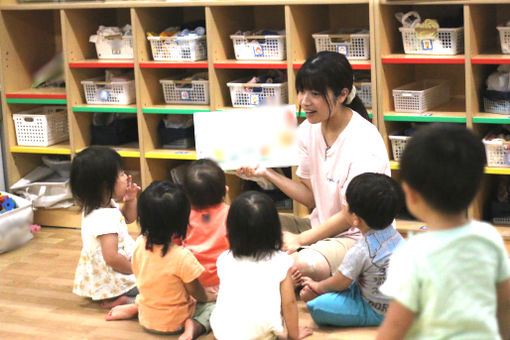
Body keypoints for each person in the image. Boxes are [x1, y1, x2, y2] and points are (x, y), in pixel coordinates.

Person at [238, 51, 390, 281]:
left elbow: (352, 214)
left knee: (298, 264)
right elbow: (311, 198)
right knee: (244, 219)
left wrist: (300, 240)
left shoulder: (364, 141)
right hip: (320, 230)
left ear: (342, 95)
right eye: (302, 91)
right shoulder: (309, 129)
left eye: (315, 93)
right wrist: (266, 173)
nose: (304, 101)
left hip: (358, 238)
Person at [377, 124, 510, 340]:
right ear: (477, 187)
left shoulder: (411, 254)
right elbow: (505, 307)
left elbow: (395, 327)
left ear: (410, 194)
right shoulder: (490, 238)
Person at [107, 181, 213, 340]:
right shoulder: (182, 257)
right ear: (182, 221)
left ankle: (135, 307)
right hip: (177, 322)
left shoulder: (139, 244)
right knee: (213, 307)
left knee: (153, 290)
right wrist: (210, 296)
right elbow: (198, 294)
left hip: (147, 317)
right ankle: (194, 328)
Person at [299, 173, 404, 327]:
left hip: (375, 310)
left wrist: (317, 287)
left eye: (346, 205)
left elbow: (340, 282)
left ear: (355, 219)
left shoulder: (361, 250)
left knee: (318, 306)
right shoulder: (397, 237)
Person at [210, 191, 313, 340]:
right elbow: (289, 303)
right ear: (275, 230)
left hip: (222, 332)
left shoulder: (223, 259)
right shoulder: (281, 261)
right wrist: (294, 335)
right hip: (260, 334)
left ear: (231, 230)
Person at [70, 146, 140, 308]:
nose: (126, 177)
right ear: (104, 185)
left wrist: (130, 200)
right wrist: (136, 271)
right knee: (156, 286)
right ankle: (125, 301)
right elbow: (112, 257)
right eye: (121, 174)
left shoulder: (101, 206)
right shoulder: (103, 219)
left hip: (113, 270)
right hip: (115, 277)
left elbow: (128, 218)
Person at [182, 159, 230, 300]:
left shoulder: (182, 215)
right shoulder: (232, 214)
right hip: (223, 281)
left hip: (191, 282)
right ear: (225, 191)